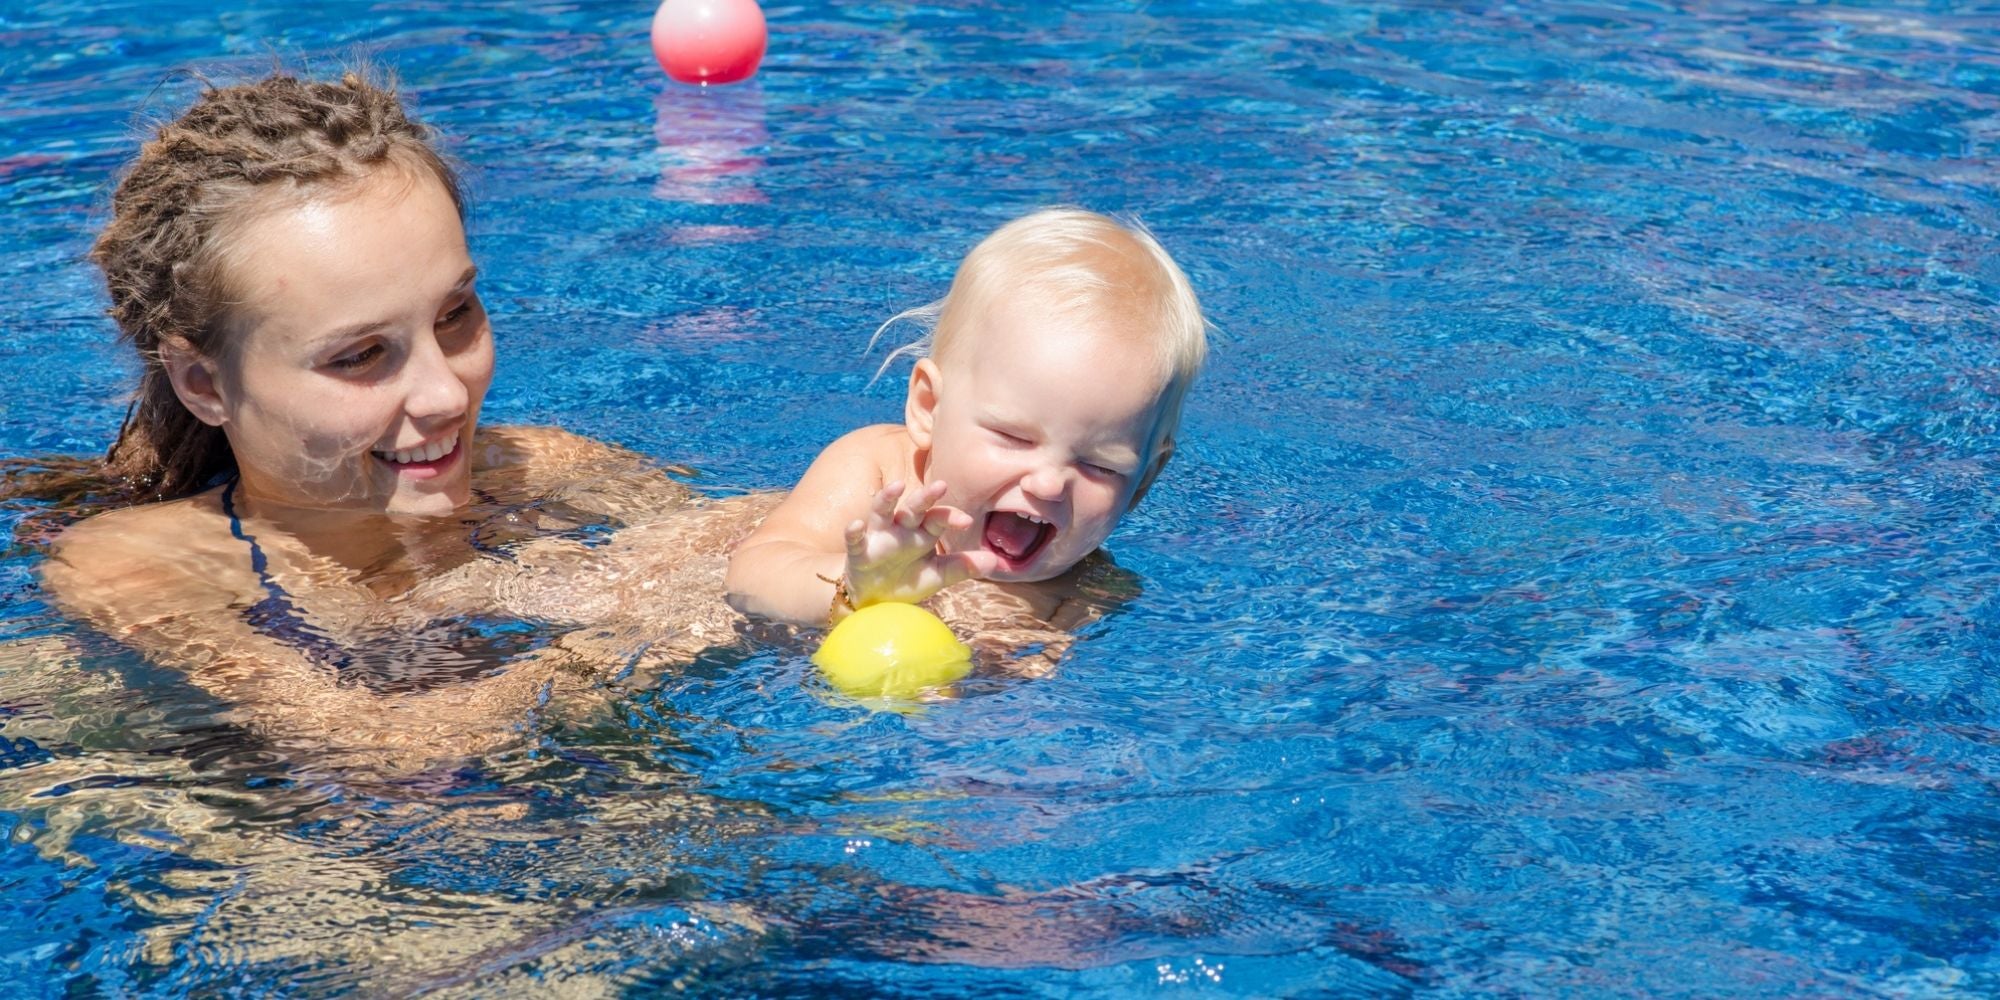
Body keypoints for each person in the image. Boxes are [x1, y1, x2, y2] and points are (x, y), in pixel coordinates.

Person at [34, 71, 736, 775]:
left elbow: (766, 549)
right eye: (362, 355)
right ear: (202, 383)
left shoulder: (552, 472)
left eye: (455, 315)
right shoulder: (144, 565)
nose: (445, 396)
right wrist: (632, 628)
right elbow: (388, 752)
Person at [723, 208, 1207, 642]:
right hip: (693, 579)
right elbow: (750, 574)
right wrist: (855, 583)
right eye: (1015, 437)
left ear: (1143, 480)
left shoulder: (1089, 591)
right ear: (930, 408)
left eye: (1100, 465)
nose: (1048, 483)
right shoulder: (873, 472)